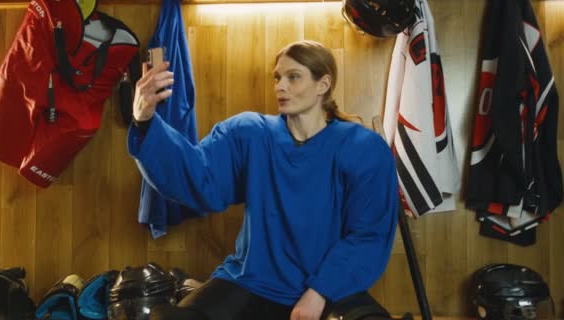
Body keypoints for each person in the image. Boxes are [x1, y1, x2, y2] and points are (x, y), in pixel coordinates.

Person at [127, 40, 399, 320]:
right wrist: (144, 119)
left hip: (330, 286)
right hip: (251, 281)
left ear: (323, 84)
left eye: (294, 77)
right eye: (278, 77)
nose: (280, 86)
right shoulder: (250, 133)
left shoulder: (363, 148)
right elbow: (197, 177)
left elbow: (368, 236)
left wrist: (318, 293)